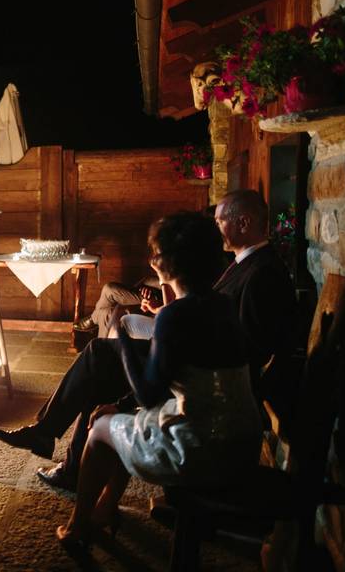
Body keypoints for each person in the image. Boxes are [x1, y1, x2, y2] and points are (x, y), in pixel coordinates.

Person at [0, 189, 295, 491]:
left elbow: (249, 347)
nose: (216, 229)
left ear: (244, 222)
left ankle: (60, 453)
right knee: (99, 360)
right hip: (198, 365)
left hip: (211, 393)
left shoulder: (262, 273)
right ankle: (58, 449)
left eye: (219, 221)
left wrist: (133, 343)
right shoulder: (244, 264)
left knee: (102, 359)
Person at [56, 211, 263, 547]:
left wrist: (121, 339)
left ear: (164, 262)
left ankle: (77, 529)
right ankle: (105, 509)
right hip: (243, 441)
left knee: (99, 429)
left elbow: (148, 395)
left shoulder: (175, 317)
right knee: (122, 418)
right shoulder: (222, 305)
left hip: (200, 450)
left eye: (155, 254)